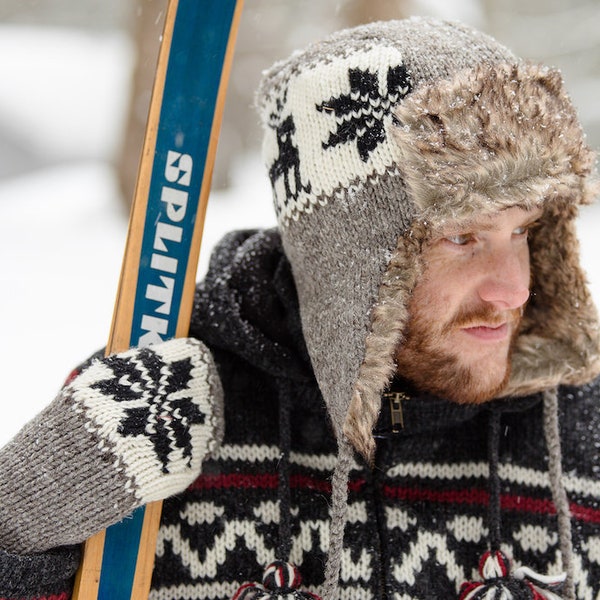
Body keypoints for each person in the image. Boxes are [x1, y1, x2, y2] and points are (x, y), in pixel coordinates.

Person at [1, 16, 600, 600]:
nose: (514, 290)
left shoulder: (579, 430)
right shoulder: (152, 406)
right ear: (350, 258)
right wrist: (24, 512)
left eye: (523, 232)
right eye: (462, 237)